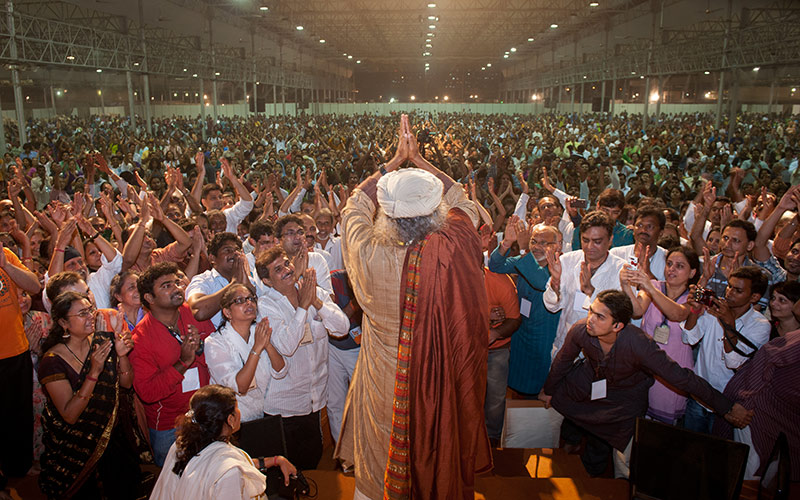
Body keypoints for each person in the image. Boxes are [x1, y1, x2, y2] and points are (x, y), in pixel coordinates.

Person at [335, 115, 491, 500]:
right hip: (437, 385)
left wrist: (393, 160)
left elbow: (353, 206)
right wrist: (420, 161)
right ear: (434, 210)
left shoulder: (369, 253)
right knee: (435, 458)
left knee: (378, 468)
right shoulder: (455, 244)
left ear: (385, 214)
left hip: (385, 383)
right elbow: (465, 203)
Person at [538, 290, 753, 478]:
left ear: (617, 325)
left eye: (599, 316)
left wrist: (726, 407)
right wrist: (548, 390)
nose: (590, 320)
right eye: (591, 311)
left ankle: (622, 481)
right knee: (560, 397)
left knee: (624, 448)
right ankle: (573, 448)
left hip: (627, 396)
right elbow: (563, 361)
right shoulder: (580, 330)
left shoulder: (639, 344)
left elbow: (682, 377)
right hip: (593, 380)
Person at [38, 291, 151, 499]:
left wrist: (122, 355)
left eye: (90, 310)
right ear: (64, 322)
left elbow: (125, 384)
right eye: (82, 313)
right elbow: (69, 415)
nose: (91, 316)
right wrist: (93, 372)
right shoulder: (52, 361)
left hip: (113, 437)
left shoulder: (101, 341)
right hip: (78, 447)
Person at [255, 246, 349, 470]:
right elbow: (286, 346)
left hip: (314, 400)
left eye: (287, 263)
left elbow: (342, 328)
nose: (287, 270)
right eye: (278, 269)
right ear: (267, 282)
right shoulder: (267, 304)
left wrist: (316, 302)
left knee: (311, 461)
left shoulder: (314, 292)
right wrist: (303, 307)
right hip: (284, 405)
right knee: (287, 473)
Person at [129, 262, 215, 466]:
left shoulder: (193, 314)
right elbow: (147, 392)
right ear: (149, 298)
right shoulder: (140, 338)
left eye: (176, 282)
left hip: (206, 413)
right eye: (166, 286)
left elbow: (217, 356)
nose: (177, 288)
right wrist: (183, 362)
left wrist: (200, 349)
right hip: (169, 426)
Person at [151, 384, 297, 500]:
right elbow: (226, 470)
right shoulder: (228, 472)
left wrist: (276, 460)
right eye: (237, 408)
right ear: (230, 420)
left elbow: (218, 467)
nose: (240, 412)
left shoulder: (182, 444)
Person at [682, 266, 772, 435]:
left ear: (754, 297)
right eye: (729, 286)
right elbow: (689, 338)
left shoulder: (760, 325)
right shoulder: (715, 310)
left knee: (719, 456)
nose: (729, 293)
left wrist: (728, 324)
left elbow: (734, 362)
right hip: (699, 396)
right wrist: (694, 309)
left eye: (737, 290)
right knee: (690, 450)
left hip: (729, 404)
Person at [205, 284, 287, 456]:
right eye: (240, 301)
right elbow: (240, 387)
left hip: (265, 415)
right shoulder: (215, 343)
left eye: (251, 299)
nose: (249, 303)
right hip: (233, 423)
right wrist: (257, 348)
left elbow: (281, 370)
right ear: (227, 312)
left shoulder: (257, 332)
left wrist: (266, 343)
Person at [620, 246, 699, 424]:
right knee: (636, 419)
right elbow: (637, 311)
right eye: (669, 264)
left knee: (661, 430)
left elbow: (677, 314)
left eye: (679, 266)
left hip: (672, 369)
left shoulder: (692, 299)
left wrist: (648, 285)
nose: (671, 269)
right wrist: (626, 286)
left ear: (692, 272)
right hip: (645, 365)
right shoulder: (655, 286)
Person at [488, 221, 562, 398]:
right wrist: (507, 242)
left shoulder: (562, 265)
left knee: (542, 385)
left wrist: (523, 249)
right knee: (518, 381)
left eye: (544, 243)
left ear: (558, 245)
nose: (537, 247)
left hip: (545, 334)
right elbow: (495, 265)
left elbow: (541, 283)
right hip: (521, 331)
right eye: (533, 241)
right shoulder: (525, 261)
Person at [543, 210, 627, 359]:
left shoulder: (622, 270)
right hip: (566, 345)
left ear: (610, 240)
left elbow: (621, 315)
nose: (590, 246)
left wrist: (591, 292)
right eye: (585, 240)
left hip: (600, 351)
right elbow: (552, 306)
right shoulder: (566, 261)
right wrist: (555, 283)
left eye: (597, 241)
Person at [0, 240, 42, 481]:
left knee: (18, 415)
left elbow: (34, 286)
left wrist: (6, 265)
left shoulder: (5, 254)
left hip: (16, 350)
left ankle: (20, 466)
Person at [186, 232, 256, 329]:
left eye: (237, 250)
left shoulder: (248, 280)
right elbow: (199, 311)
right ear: (212, 258)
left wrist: (242, 277)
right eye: (227, 250)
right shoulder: (202, 280)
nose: (234, 254)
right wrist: (233, 285)